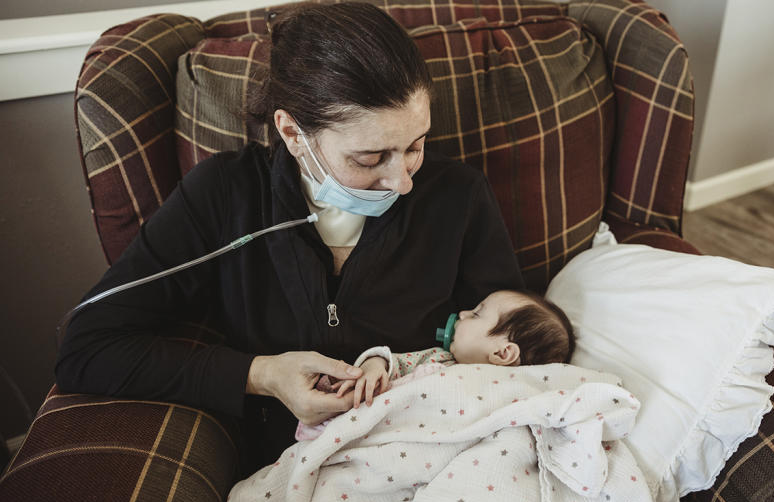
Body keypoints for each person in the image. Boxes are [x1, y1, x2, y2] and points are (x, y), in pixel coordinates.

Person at [55, 2, 522, 474]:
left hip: (440, 456)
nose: (402, 181)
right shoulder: (224, 195)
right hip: (290, 467)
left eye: (415, 145)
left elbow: (516, 343)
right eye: (369, 158)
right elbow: (88, 347)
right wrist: (260, 375)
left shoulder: (458, 196)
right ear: (293, 132)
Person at [294, 289, 576, 440]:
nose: (463, 313)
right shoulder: (439, 358)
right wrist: (374, 366)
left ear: (503, 354)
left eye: (477, 314)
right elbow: (395, 363)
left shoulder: (520, 395)